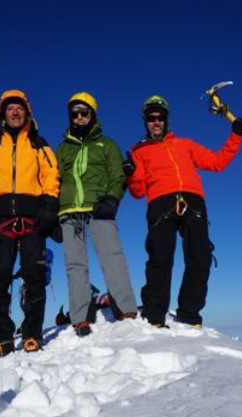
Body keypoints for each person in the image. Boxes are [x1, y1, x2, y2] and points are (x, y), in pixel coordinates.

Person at [126, 95, 242, 327]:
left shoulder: (185, 144)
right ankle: (154, 315)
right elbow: (138, 191)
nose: (156, 122)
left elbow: (217, 162)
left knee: (200, 257)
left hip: (193, 202)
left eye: (160, 117)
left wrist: (236, 136)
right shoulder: (138, 152)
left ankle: (189, 314)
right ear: (145, 121)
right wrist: (131, 172)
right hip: (160, 203)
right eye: (151, 118)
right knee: (160, 258)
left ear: (166, 119)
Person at [0, 90, 59, 357]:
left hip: (34, 217)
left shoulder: (39, 143)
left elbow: (51, 175)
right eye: (10, 109)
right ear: (2, 113)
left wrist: (50, 205)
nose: (15, 113)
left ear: (27, 112)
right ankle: (1, 337)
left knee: (34, 275)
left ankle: (32, 333)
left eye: (20, 108)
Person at [56, 92, 138, 337]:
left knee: (112, 256)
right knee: (75, 264)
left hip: (99, 208)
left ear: (92, 115)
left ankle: (126, 309)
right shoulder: (62, 149)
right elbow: (54, 180)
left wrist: (112, 199)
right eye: (75, 113)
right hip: (70, 211)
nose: (79, 117)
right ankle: (80, 317)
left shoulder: (107, 144)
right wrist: (53, 210)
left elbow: (117, 175)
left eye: (84, 112)